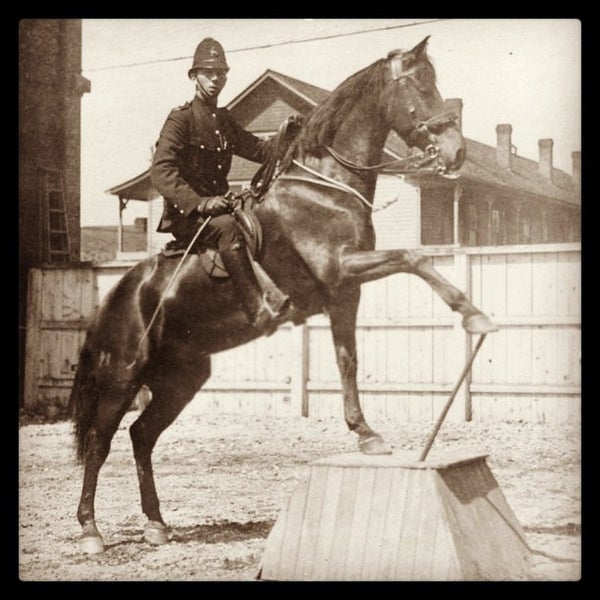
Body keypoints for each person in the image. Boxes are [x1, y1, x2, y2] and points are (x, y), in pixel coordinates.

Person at [151, 37, 288, 330]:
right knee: (228, 229)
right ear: (193, 76)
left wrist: (288, 136)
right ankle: (256, 309)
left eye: (221, 73)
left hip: (221, 206)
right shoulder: (181, 120)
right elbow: (161, 170)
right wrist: (199, 203)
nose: (215, 79)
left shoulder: (223, 120)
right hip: (189, 215)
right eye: (208, 72)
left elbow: (259, 151)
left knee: (260, 217)